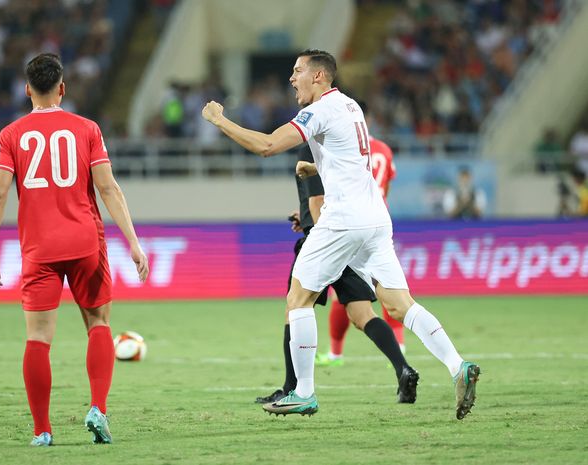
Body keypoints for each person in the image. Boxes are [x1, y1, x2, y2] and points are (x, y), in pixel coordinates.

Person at [202, 49, 479, 420]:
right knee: (399, 303)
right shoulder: (350, 107)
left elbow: (267, 146)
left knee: (298, 299)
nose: (291, 78)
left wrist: (220, 120)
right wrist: (314, 165)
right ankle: (457, 365)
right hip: (376, 218)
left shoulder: (319, 110)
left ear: (318, 77)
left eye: (297, 71)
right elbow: (349, 160)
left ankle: (302, 392)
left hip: (343, 219)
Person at [0, 53, 149, 446]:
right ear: (62, 87)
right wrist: (134, 242)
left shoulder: (10, 135)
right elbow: (107, 188)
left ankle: (42, 431)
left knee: (38, 338)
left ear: (27, 90)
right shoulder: (86, 128)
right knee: (99, 324)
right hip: (85, 241)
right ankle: (97, 409)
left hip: (38, 247)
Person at [255, 145, 418, 406]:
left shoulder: (310, 150)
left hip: (325, 241)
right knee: (363, 315)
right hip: (350, 235)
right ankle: (403, 369)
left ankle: (291, 388)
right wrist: (305, 216)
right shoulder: (340, 149)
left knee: (294, 307)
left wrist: (314, 225)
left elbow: (317, 202)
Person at [315, 134, 406, 366]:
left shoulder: (347, 146)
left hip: (353, 222)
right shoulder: (384, 148)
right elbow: (387, 184)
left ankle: (336, 354)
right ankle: (400, 349)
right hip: (379, 222)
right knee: (389, 287)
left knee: (341, 291)